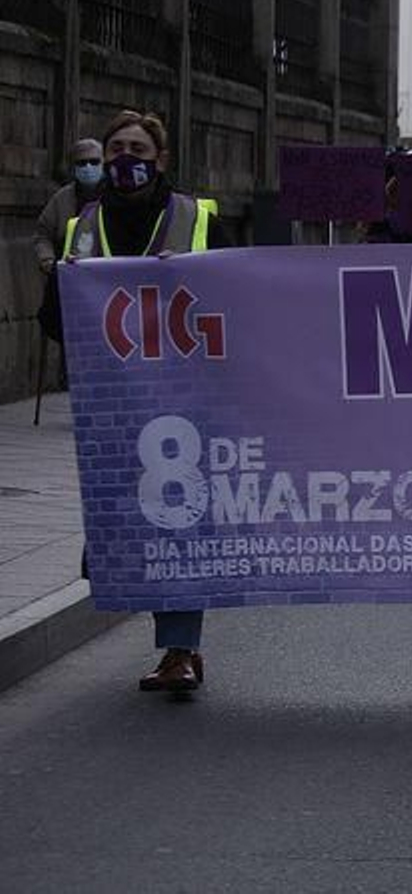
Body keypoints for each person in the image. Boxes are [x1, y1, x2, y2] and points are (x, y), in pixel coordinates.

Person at [63, 110, 226, 694]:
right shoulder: (80, 225)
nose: (123, 158)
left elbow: (237, 298)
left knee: (175, 520)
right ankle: (173, 641)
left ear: (160, 159)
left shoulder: (194, 217)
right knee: (121, 527)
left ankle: (180, 650)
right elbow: (57, 322)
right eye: (114, 149)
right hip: (113, 400)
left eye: (137, 147)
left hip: (185, 397)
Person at [34, 139, 104, 276]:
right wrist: (47, 261)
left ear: (104, 163)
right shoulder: (61, 199)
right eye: (82, 163)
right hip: (67, 276)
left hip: (106, 276)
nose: (88, 167)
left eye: (94, 162)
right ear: (74, 167)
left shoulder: (117, 196)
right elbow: (43, 234)